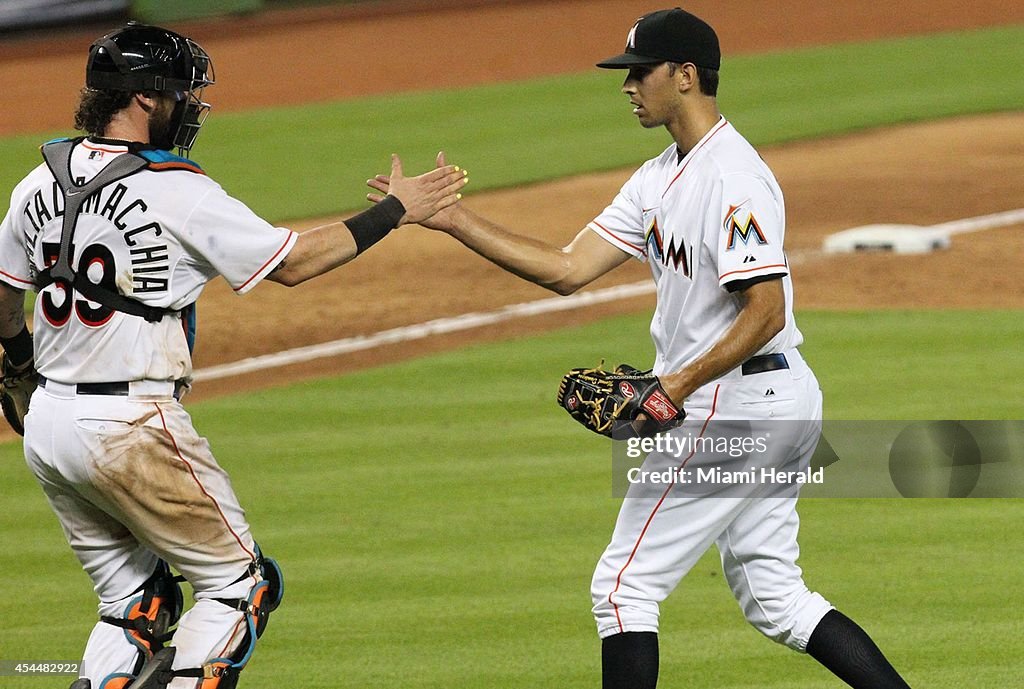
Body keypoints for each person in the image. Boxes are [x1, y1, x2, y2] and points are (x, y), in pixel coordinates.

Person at [368, 7, 912, 689]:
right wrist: (453, 220)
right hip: (767, 399)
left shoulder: (734, 178)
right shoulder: (658, 177)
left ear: (685, 76)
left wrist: (675, 386)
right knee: (777, 599)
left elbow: (766, 310)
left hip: (735, 404)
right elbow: (567, 268)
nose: (627, 86)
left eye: (639, 72)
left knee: (622, 586)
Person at [0, 22, 465, 689]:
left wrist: (17, 364)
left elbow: (3, 294)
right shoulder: (177, 191)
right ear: (144, 100)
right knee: (238, 586)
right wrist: (396, 208)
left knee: (132, 602)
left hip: (47, 428)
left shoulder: (34, 183)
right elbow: (295, 263)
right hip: (130, 426)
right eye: (182, 93)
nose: (191, 107)